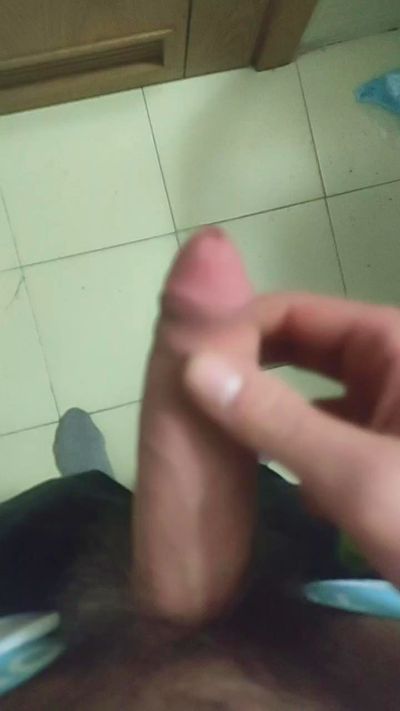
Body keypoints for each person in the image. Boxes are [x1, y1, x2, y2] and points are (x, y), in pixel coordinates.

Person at [2, 228, 400, 709]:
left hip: (42, 649)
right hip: (343, 620)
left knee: (64, 521)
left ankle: (88, 480)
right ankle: (241, 472)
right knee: (274, 513)